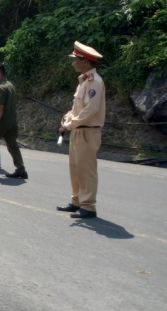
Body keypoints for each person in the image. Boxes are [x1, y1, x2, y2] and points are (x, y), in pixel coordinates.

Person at [57, 41, 105, 219]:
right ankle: (76, 201)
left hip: (87, 131)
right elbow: (77, 108)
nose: (72, 63)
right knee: (75, 168)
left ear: (84, 61)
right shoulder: (84, 81)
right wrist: (67, 118)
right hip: (78, 129)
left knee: (86, 170)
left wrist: (69, 125)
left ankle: (88, 206)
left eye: (75, 59)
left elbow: (90, 110)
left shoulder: (94, 82)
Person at [0, 63, 27, 179]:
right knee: (12, 145)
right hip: (12, 121)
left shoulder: (0, 87)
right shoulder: (10, 85)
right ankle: (21, 169)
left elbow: (0, 107)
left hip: (2, 121)